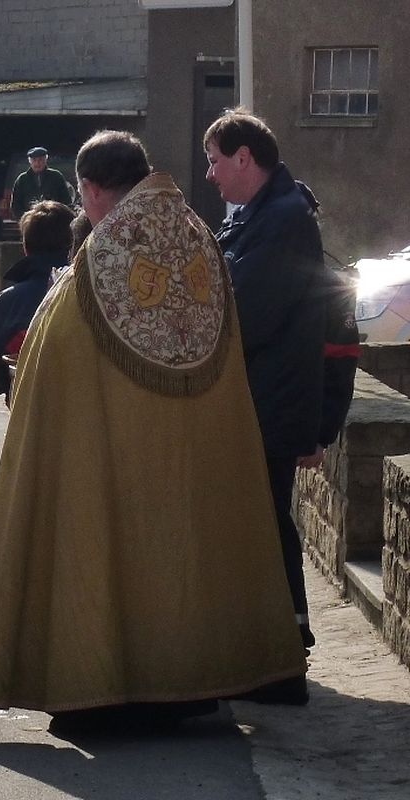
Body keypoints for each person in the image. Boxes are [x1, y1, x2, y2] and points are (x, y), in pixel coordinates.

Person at [0, 130, 308, 729]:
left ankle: (104, 686)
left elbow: (54, 361)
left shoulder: (99, 258)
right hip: (194, 454)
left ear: (91, 189)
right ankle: (191, 685)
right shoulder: (200, 238)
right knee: (184, 555)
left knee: (103, 550)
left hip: (109, 455)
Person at [204, 109, 359, 663]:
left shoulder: (283, 219)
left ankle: (283, 651)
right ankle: (275, 645)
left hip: (269, 405)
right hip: (262, 400)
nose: (210, 174)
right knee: (261, 521)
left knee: (264, 523)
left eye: (215, 161)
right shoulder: (262, 216)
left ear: (244, 158)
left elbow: (246, 313)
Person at [0, 200, 76, 398]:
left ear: (25, 247)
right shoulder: (98, 291)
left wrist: (10, 382)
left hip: (30, 406)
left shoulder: (10, 301)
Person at [8, 147, 73, 221]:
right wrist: (25, 220)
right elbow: (15, 205)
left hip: (53, 221)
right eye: (34, 160)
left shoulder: (56, 177)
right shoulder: (22, 179)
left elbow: (66, 201)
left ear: (45, 160)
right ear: (30, 161)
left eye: (40, 160)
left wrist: (59, 219)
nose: (37, 163)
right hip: (29, 222)